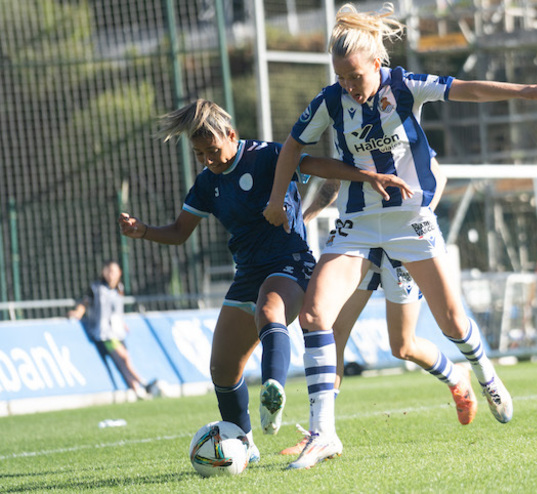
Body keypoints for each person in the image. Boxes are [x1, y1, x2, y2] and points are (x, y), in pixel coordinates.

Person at [262, 2, 537, 469]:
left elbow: (464, 89)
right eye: (341, 77)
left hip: (410, 219)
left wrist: (527, 91)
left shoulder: (405, 86)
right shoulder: (330, 102)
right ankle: (323, 434)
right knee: (314, 315)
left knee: (446, 323)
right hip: (359, 225)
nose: (349, 86)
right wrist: (275, 200)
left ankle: (484, 374)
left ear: (377, 63)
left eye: (355, 76)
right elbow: (294, 146)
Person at [117, 99, 411, 464]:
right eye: (199, 154)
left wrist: (370, 176)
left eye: (212, 150)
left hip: (290, 262)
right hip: (248, 274)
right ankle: (243, 444)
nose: (208, 160)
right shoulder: (208, 182)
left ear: (232, 136)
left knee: (269, 311)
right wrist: (143, 231)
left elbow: (321, 168)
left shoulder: (267, 156)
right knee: (222, 369)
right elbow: (179, 232)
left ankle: (273, 389)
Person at [280, 158, 478, 457]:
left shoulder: (400, 115)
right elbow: (337, 176)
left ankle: (456, 375)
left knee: (403, 345)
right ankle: (321, 433)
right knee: (331, 333)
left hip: (400, 240)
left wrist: (417, 226)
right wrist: (310, 214)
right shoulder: (346, 117)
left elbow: (437, 174)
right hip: (358, 239)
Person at [68, 260, 154, 400]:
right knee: (124, 357)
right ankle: (145, 383)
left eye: (113, 271)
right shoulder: (96, 288)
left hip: (118, 331)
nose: (110, 274)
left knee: (122, 363)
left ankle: (136, 390)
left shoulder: (119, 288)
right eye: (108, 271)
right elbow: (85, 302)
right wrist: (78, 312)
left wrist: (122, 322)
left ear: (119, 273)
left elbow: (116, 310)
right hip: (105, 333)